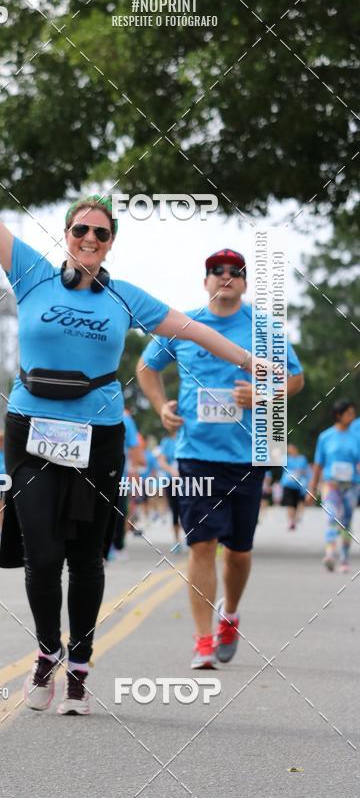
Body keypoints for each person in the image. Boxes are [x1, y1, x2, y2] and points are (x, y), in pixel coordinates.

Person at [0, 100, 270, 716]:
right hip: (31, 427)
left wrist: (254, 362)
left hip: (98, 434)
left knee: (86, 557)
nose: (90, 239)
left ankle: (80, 666)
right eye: (80, 231)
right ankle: (47, 650)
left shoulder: (126, 298)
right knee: (42, 553)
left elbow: (195, 331)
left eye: (101, 233)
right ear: (66, 236)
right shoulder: (31, 274)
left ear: (110, 243)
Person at [137, 248, 304, 669]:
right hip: (195, 454)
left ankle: (229, 614)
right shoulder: (185, 325)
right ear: (205, 280)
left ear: (245, 282)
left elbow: (296, 379)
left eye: (235, 271)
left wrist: (264, 394)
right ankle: (203, 640)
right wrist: (160, 406)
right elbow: (145, 367)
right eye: (217, 270)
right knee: (202, 544)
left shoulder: (264, 328)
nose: (225, 276)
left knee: (238, 552)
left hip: (248, 455)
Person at [307, 399, 360, 573]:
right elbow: (318, 464)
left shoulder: (356, 437)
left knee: (346, 522)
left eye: (353, 414)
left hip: (352, 485)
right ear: (339, 415)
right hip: (331, 484)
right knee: (331, 517)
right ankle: (330, 554)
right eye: (349, 413)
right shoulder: (325, 437)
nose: (352, 417)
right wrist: (312, 488)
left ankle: (344, 558)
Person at [109, 408, 144, 560]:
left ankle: (118, 546)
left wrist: (134, 472)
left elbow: (134, 447)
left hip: (120, 475)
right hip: (93, 473)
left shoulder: (125, 418)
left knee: (120, 512)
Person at [156, 433, 183, 551]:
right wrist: (172, 471)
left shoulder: (188, 438)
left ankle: (190, 538)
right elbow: (162, 461)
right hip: (172, 481)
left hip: (188, 481)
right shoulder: (167, 442)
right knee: (175, 510)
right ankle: (177, 541)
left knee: (188, 510)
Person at [280, 444, 310, 530]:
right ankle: (290, 521)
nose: (290, 451)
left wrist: (299, 472)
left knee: (296, 504)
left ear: (296, 449)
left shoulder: (302, 459)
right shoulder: (286, 459)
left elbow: (307, 471)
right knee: (290, 503)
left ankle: (294, 519)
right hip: (288, 484)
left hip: (298, 485)